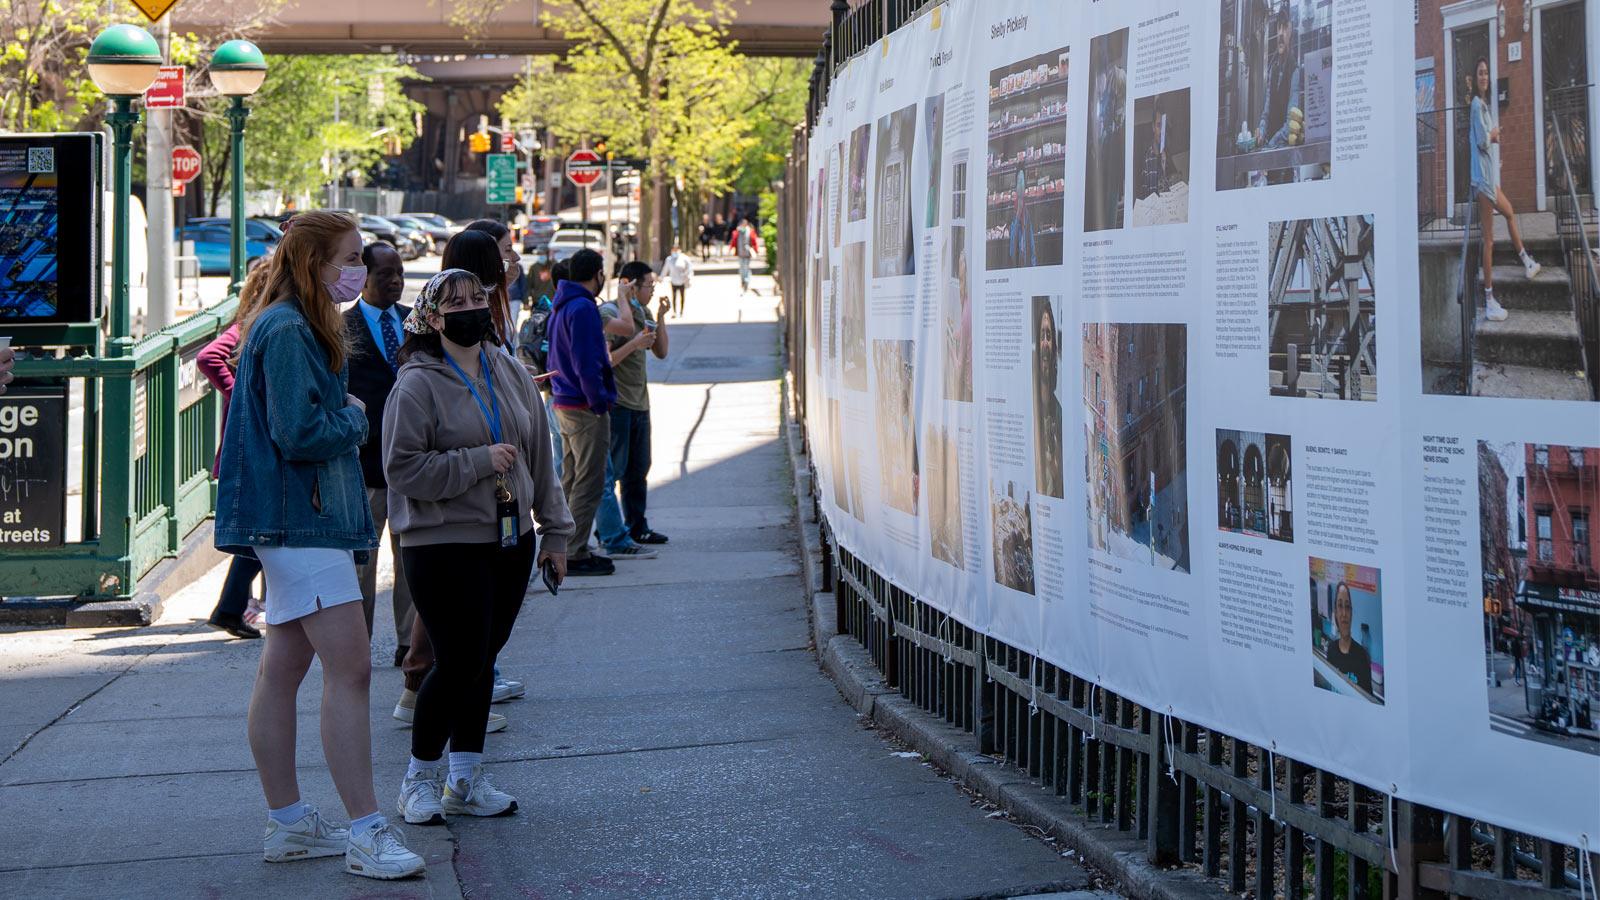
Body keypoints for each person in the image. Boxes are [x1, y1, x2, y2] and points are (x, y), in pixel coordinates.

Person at [212, 209, 424, 880]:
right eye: (351, 257)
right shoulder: (291, 328)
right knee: (352, 669)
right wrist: (354, 419)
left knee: (285, 667)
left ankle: (291, 823)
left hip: (293, 518)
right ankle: (365, 830)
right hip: (301, 520)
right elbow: (300, 432)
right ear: (315, 264)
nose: (359, 268)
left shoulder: (285, 321)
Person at [386, 268, 572, 826]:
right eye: (455, 302)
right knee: (459, 658)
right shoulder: (417, 383)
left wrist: (556, 534)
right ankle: (418, 777)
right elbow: (401, 469)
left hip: (510, 540)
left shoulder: (509, 370)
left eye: (478, 298)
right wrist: (475, 463)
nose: (471, 308)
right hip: (442, 544)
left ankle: (464, 778)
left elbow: (541, 453)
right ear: (431, 318)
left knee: (482, 661)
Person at [343, 242, 416, 663]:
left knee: (410, 560)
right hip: (365, 466)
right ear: (364, 278)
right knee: (361, 567)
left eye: (400, 273)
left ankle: (409, 642)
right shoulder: (342, 328)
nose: (395, 281)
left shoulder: (416, 324)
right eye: (385, 274)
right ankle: (357, 645)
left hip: (410, 464)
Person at [195, 268, 276, 640]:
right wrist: (239, 391)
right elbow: (208, 357)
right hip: (248, 445)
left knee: (259, 532)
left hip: (252, 443)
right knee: (260, 531)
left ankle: (231, 606)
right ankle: (230, 607)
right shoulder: (249, 325)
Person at [546, 248, 617, 576]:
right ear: (597, 273)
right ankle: (573, 552)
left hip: (564, 401)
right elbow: (586, 361)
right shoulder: (583, 307)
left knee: (572, 479)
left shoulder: (562, 304)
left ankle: (568, 547)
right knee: (589, 480)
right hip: (583, 405)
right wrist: (599, 401)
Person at [599, 261, 672, 553]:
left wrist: (662, 318)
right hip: (618, 404)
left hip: (641, 403)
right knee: (614, 471)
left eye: (653, 285)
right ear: (629, 284)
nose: (652, 290)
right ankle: (609, 531)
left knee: (639, 469)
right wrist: (634, 343)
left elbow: (662, 352)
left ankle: (637, 527)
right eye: (648, 285)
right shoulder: (610, 313)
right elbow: (606, 361)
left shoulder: (643, 313)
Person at [1470, 56, 1542, 322]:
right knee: (1488, 240)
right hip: (1483, 184)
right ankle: (1489, 301)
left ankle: (1527, 262)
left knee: (1511, 213)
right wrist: (1493, 135)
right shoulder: (1476, 105)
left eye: (1486, 72)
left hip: (1488, 180)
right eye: (1480, 73)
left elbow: (1484, 143)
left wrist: (1493, 141)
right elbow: (1480, 141)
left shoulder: (1484, 105)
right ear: (1474, 78)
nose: (1484, 77)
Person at [465, 220, 526, 341]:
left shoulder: (494, 299)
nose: (516, 257)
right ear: (486, 255)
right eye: (508, 250)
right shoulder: (473, 311)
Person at [1255, 4, 1302, 152]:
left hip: (1286, 153)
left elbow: (1290, 124)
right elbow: (1266, 113)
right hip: (1272, 150)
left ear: (1291, 32)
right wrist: (1261, 131)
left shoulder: (1295, 70)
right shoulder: (1272, 70)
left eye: (1285, 28)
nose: (1280, 33)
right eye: (1278, 28)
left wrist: (1269, 146)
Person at [1033, 301, 1063, 499]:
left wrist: (1053, 464)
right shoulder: (1029, 404)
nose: (1045, 343)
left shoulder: (1058, 412)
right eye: (1042, 335)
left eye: (1049, 336)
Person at [1324, 583, 1372, 694]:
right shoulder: (1331, 649)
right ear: (1335, 613)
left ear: (1351, 613)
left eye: (1347, 607)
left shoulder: (1362, 656)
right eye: (1340, 606)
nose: (1344, 613)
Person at [729, 218, 762, 294]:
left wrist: (756, 251)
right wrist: (731, 249)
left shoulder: (750, 232)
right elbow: (734, 241)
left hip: (748, 253)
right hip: (740, 253)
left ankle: (746, 280)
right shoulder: (737, 232)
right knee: (741, 267)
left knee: (746, 266)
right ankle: (743, 280)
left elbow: (754, 242)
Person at [662, 244, 694, 317]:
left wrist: (688, 277)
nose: (675, 251)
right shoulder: (669, 259)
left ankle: (681, 311)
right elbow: (665, 269)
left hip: (682, 281)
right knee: (674, 297)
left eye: (676, 249)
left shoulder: (685, 258)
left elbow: (690, 269)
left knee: (682, 296)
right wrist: (661, 278)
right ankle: (675, 311)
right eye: (674, 249)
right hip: (673, 281)